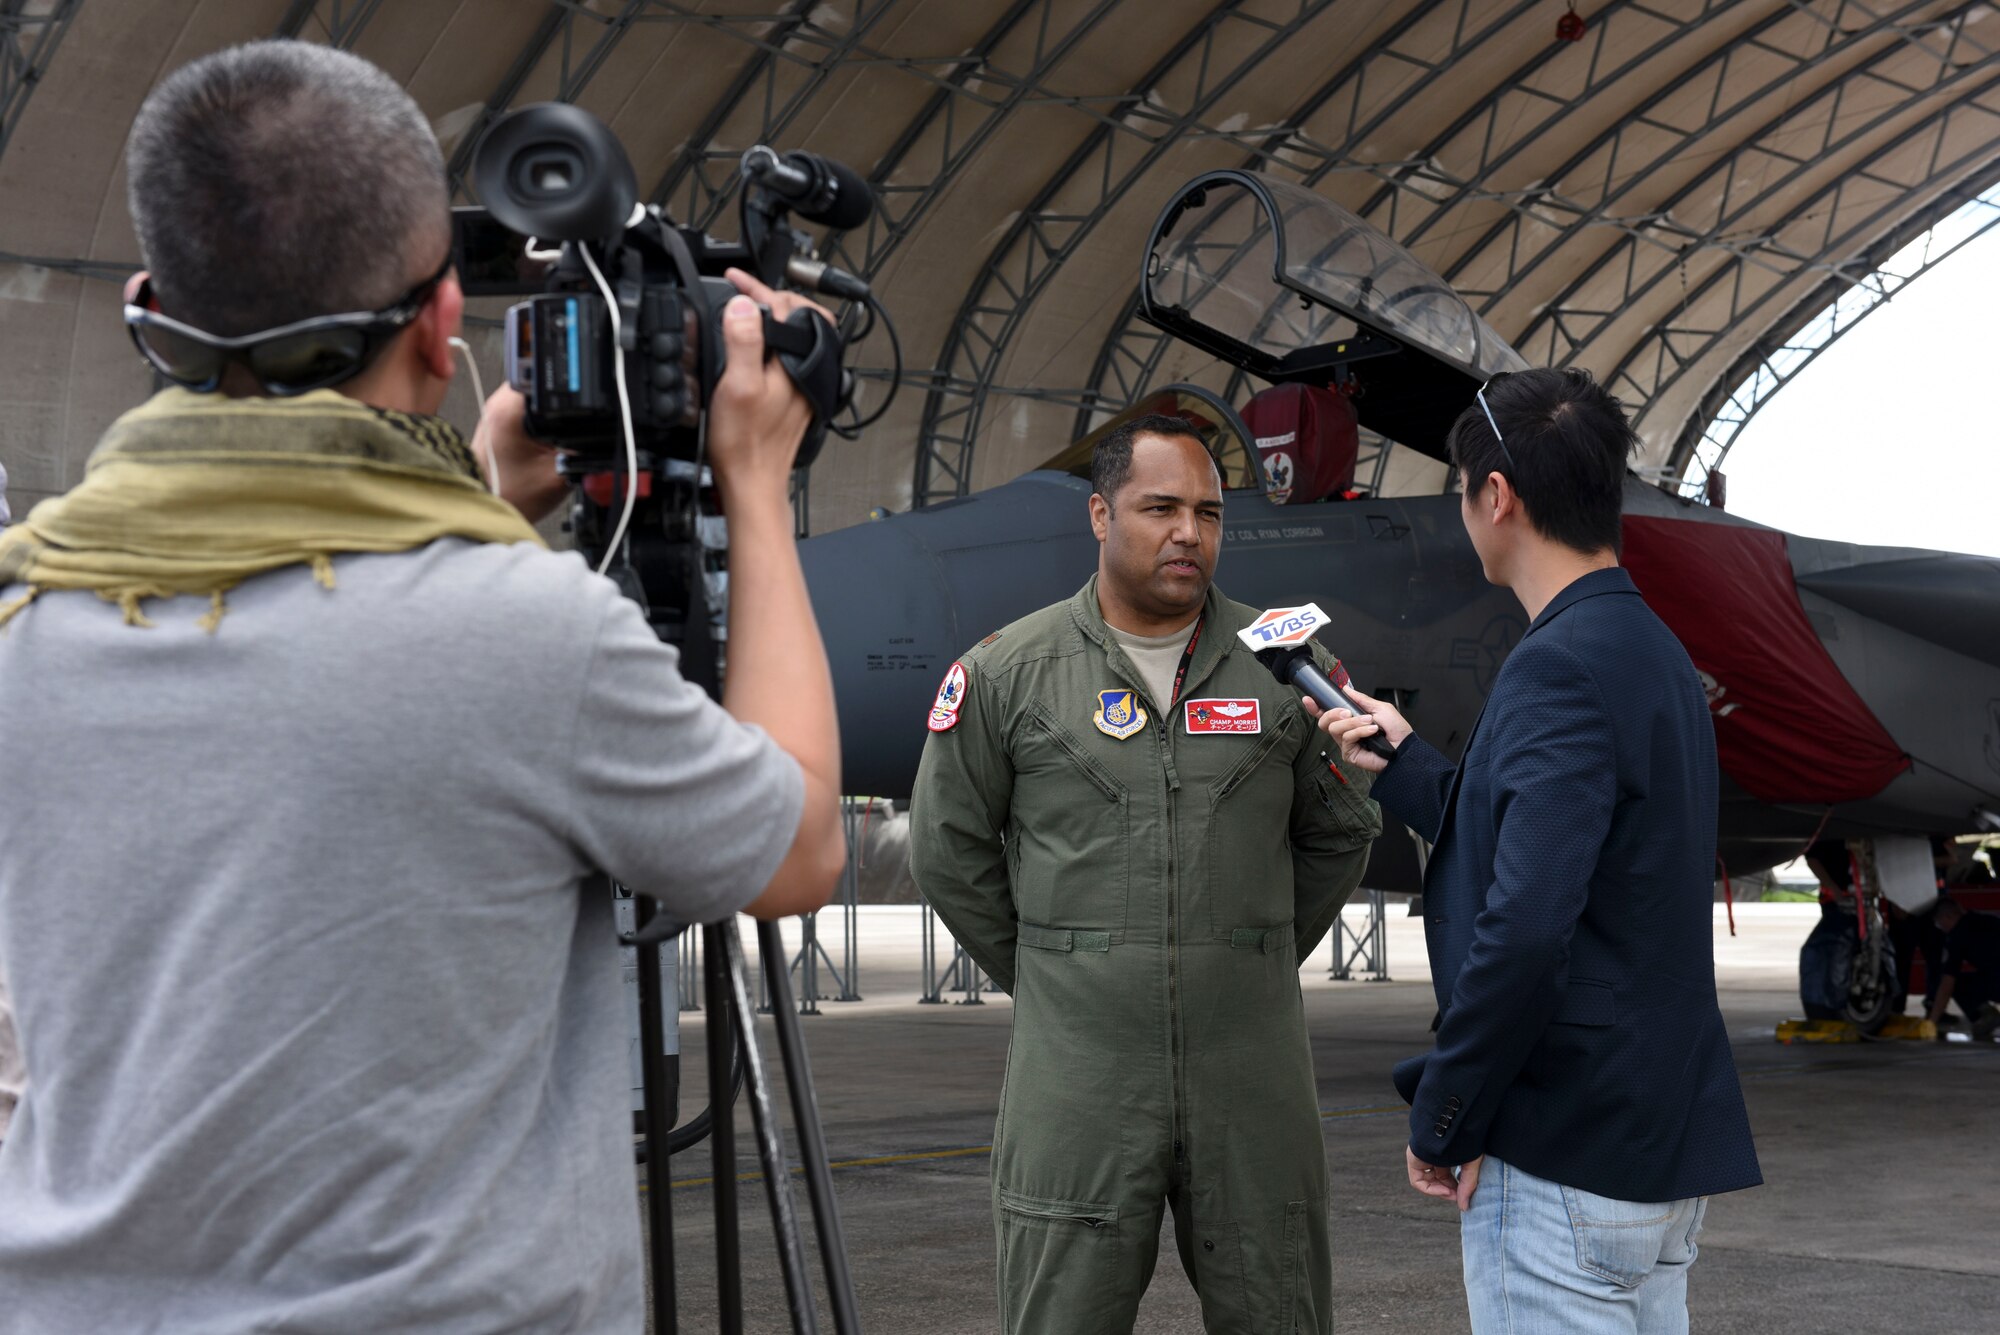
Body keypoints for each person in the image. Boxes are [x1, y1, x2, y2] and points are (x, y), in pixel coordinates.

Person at [0, 40, 845, 1332]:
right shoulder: (520, 632)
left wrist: (478, 490)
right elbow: (791, 849)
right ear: (446, 326)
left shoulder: (29, 607)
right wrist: (760, 482)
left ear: (147, 307)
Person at [909, 413, 1382, 1335]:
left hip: (1253, 1075)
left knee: (1280, 1310)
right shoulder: (1010, 673)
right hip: (1079, 1078)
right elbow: (947, 850)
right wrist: (1061, 971)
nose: (1188, 533)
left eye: (1207, 513)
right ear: (1099, 514)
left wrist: (1249, 952)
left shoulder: (1289, 668)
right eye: (1160, 507)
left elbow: (1338, 834)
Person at [1316, 368, 1761, 1332]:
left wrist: (1448, 1115)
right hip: (1652, 1150)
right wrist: (1407, 764)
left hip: (1565, 1161)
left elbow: (1524, 930)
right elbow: (1577, 854)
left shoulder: (1554, 666)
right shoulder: (1651, 652)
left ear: (1497, 496)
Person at [1925, 897, 2000, 1040]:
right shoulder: (1985, 920)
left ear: (1948, 917)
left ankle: (1984, 1016)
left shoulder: (1957, 937)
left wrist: (1932, 1021)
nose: (1940, 927)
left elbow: (1947, 983)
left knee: (1959, 984)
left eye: (1939, 923)